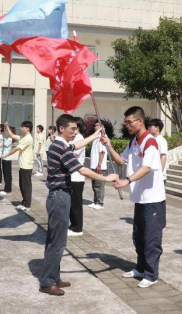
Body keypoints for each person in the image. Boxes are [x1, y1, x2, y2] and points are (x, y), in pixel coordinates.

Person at [39, 114, 118, 296]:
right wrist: (106, 178)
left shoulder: (61, 144)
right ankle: (47, 282)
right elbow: (81, 169)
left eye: (76, 129)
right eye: (73, 129)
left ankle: (53, 277)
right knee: (57, 243)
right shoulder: (61, 147)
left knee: (55, 240)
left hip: (59, 196)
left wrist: (96, 134)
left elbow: (77, 145)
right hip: (59, 196)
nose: (76, 132)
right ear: (62, 129)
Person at [101, 106, 165, 289]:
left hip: (153, 199)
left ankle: (151, 275)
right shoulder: (134, 142)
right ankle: (141, 268)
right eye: (125, 122)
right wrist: (109, 145)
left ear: (140, 121)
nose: (127, 125)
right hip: (140, 198)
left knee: (151, 239)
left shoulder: (150, 142)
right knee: (139, 237)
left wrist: (126, 180)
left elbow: (146, 168)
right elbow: (121, 161)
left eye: (129, 122)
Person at [2, 121, 34, 211]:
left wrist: (6, 155)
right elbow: (12, 135)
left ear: (27, 128)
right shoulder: (24, 138)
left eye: (22, 127)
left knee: (26, 186)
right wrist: (7, 126)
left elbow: (16, 148)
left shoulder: (28, 138)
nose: (21, 128)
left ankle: (27, 205)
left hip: (26, 166)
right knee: (22, 185)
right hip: (23, 165)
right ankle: (24, 203)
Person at [148, 118, 168, 229]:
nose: (149, 128)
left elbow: (163, 156)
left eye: (151, 126)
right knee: (155, 199)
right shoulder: (153, 140)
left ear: (157, 128)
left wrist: (160, 173)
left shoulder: (161, 140)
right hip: (155, 175)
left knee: (160, 200)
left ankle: (161, 223)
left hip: (160, 176)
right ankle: (156, 220)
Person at [68, 117, 86, 236]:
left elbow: (72, 154)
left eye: (74, 127)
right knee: (72, 203)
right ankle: (73, 224)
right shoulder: (74, 138)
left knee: (76, 204)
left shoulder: (79, 138)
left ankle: (77, 228)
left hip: (77, 176)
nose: (72, 130)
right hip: (71, 176)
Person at [88, 120, 108, 210]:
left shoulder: (103, 137)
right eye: (95, 125)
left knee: (99, 185)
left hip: (99, 166)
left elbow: (102, 152)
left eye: (97, 125)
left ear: (102, 127)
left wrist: (99, 164)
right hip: (93, 165)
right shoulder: (96, 137)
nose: (95, 127)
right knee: (94, 185)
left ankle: (100, 203)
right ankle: (95, 201)